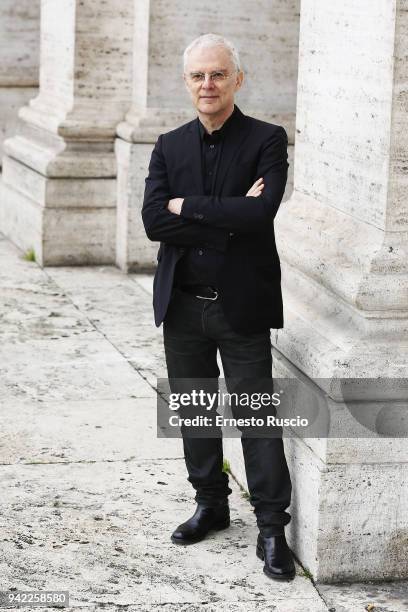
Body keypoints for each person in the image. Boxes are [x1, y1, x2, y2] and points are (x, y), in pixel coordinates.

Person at [142, 33, 295, 581]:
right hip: (183, 306)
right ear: (187, 82)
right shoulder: (168, 145)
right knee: (195, 411)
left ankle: (273, 529)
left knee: (257, 417)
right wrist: (229, 212)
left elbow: (263, 215)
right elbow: (154, 221)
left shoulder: (267, 139)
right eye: (197, 76)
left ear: (237, 79)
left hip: (241, 307)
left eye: (217, 74)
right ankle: (211, 504)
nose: (207, 85)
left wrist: (192, 207)